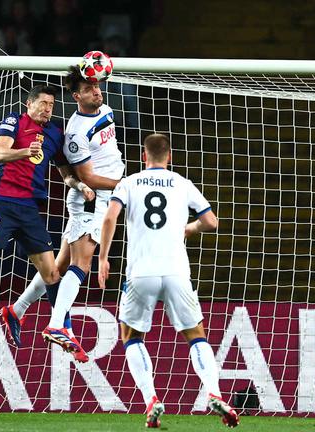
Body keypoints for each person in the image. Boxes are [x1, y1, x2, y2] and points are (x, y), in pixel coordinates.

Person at [98, 133, 240, 428]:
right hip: (177, 271)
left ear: (143, 156)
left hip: (141, 272)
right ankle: (214, 392)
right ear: (170, 156)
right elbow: (212, 221)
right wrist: (190, 227)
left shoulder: (130, 182)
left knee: (132, 336)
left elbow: (110, 217)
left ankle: (151, 399)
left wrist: (103, 257)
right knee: (196, 335)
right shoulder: (182, 183)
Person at [0, 85, 90, 364]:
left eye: (51, 104)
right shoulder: (14, 121)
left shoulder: (55, 133)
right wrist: (26, 151)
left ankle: (65, 330)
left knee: (52, 273)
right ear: (30, 104)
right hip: (2, 204)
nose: (48, 109)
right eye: (43, 103)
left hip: (29, 210)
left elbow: (65, 174)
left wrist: (80, 184)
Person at [36, 67, 125, 354]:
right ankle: (56, 324)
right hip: (92, 198)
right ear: (77, 96)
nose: (97, 91)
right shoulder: (75, 132)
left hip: (102, 195)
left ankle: (17, 308)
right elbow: (86, 177)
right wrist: (122, 185)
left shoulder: (105, 109)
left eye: (97, 85)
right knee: (82, 264)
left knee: (59, 265)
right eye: (89, 88)